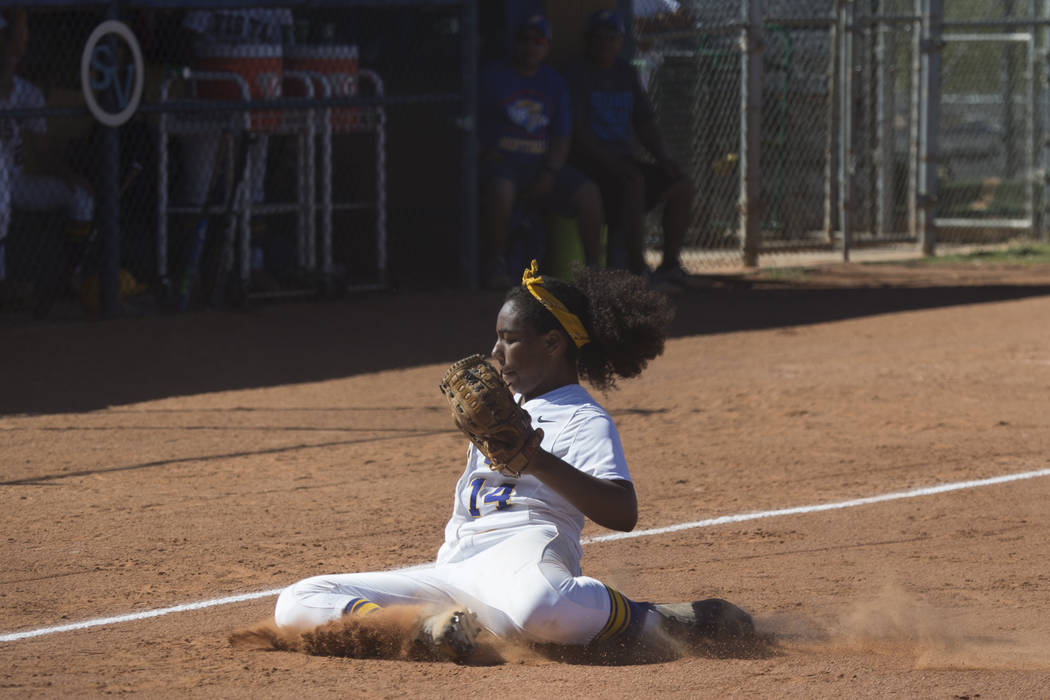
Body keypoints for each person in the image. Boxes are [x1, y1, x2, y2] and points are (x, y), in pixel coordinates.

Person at [273, 261, 756, 661]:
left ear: (553, 344)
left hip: (525, 565)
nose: (495, 353)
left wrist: (537, 459)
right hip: (454, 572)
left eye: (509, 338)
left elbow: (622, 512)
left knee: (543, 609)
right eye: (497, 338)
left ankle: (654, 617)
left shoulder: (583, 416)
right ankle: (422, 630)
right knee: (299, 599)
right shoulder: (505, 409)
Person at [564, 9, 694, 289]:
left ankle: (670, 265)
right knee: (632, 180)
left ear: (620, 42)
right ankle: (638, 269)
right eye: (598, 39)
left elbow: (644, 123)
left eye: (611, 39)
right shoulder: (578, 74)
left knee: (681, 186)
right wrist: (612, 163)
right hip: (589, 164)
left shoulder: (626, 73)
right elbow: (578, 134)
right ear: (589, 42)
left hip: (622, 162)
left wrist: (663, 158)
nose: (605, 45)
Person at [477, 14, 603, 290]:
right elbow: (475, 126)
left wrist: (550, 171)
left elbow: (561, 136)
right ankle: (497, 264)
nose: (531, 47)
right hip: (504, 166)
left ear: (547, 48)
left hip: (541, 167)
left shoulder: (553, 83)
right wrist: (485, 152)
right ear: (515, 44)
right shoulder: (494, 76)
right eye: (525, 40)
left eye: (539, 41)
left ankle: (595, 271)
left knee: (588, 193)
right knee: (502, 188)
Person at [0, 9, 94, 293]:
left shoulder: (28, 93)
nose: (10, 51)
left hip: (17, 180)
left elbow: (42, 150)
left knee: (81, 198)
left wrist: (67, 175)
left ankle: (70, 276)